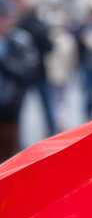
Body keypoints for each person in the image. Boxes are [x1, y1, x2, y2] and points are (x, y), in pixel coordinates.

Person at [0, 0, 39, 162]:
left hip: (10, 109)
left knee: (9, 157)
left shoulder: (21, 41)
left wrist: (5, 63)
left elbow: (28, 71)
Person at [17, 7, 57, 136]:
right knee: (47, 105)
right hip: (40, 72)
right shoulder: (40, 27)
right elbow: (50, 47)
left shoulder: (21, 26)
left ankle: (18, 136)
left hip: (24, 73)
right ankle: (52, 132)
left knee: (19, 107)